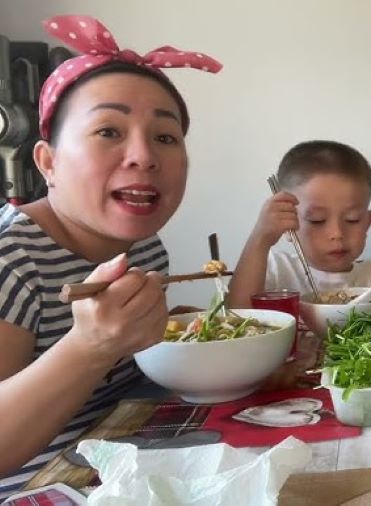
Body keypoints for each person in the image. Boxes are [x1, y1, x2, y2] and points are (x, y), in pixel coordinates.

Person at [0, 15, 220, 498]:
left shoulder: (144, 246)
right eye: (108, 131)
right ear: (48, 162)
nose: (143, 155)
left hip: (132, 467)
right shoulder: (13, 260)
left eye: (165, 137)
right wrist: (88, 346)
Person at [227, 140, 371, 311]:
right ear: (288, 226)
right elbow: (237, 314)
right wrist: (260, 239)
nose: (337, 234)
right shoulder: (277, 271)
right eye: (317, 220)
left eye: (352, 219)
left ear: (367, 223)